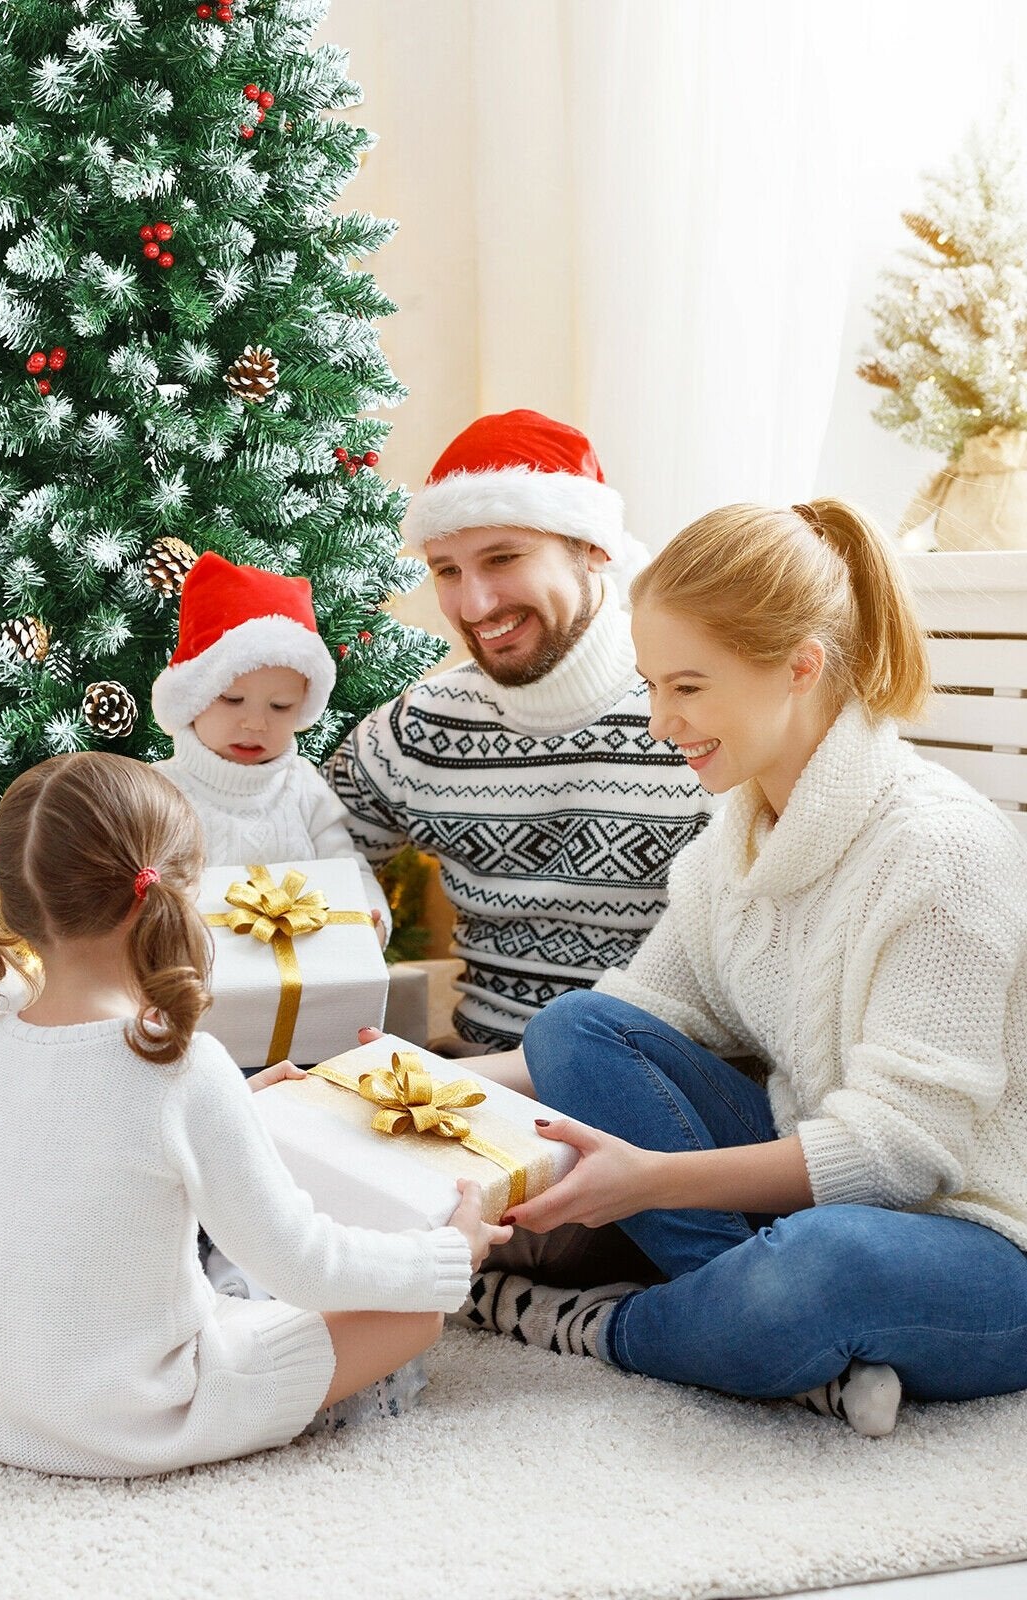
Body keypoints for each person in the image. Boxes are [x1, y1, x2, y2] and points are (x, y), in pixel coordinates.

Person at [462, 498, 1027, 1438]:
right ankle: (768, 1337)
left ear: (800, 666)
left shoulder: (941, 854)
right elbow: (637, 1022)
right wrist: (387, 1082)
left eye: (688, 687)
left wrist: (650, 1182)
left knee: (822, 1265)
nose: (660, 722)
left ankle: (597, 1323)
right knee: (575, 1027)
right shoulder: (734, 840)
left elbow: (897, 1155)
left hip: (985, 1239)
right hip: (814, 1191)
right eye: (650, 686)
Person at [0, 751, 504, 1478]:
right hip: (134, 1420)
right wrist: (450, 1253)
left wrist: (235, 1115)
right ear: (171, 891)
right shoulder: (181, 1065)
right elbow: (302, 1264)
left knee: (61, 1249)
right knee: (413, 1316)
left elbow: (68, 1149)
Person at [327, 409, 712, 1055]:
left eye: (502, 558)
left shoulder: (699, 716)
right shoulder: (420, 727)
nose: (474, 607)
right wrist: (357, 901)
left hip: (658, 1094)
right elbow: (309, 840)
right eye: (447, 570)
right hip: (479, 1094)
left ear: (594, 548)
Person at [151, 550, 390, 939]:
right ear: (193, 697)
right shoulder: (159, 791)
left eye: (280, 707)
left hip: (302, 979)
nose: (256, 723)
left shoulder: (304, 786)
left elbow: (347, 868)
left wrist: (367, 919)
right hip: (194, 982)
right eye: (232, 700)